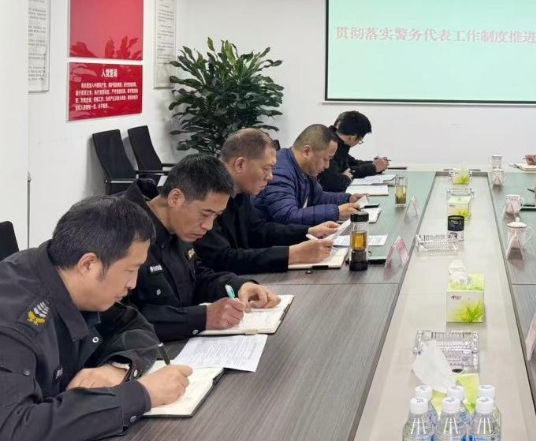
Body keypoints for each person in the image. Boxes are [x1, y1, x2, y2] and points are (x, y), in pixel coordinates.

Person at [0, 197, 193, 441]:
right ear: (88, 264)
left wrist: (117, 367)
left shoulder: (70, 280)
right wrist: (141, 395)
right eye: (131, 270)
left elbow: (136, 326)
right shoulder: (14, 320)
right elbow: (11, 434)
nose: (133, 284)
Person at [121, 154, 281, 341]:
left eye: (216, 216)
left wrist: (239, 285)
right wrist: (202, 318)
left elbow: (196, 276)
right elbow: (121, 318)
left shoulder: (177, 225)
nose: (209, 226)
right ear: (175, 198)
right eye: (205, 214)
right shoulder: (122, 231)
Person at [195, 128, 340, 274]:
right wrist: (292, 254)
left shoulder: (240, 191)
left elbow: (259, 230)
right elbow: (222, 259)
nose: (270, 176)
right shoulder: (203, 194)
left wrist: (308, 232)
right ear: (240, 165)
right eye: (266, 168)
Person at [254, 124, 365, 225]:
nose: (327, 166)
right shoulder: (280, 172)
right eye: (326, 159)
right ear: (307, 151)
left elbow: (317, 197)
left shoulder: (305, 168)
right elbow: (287, 215)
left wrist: (348, 199)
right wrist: (336, 212)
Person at [318, 111, 391, 192]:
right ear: (352, 137)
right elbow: (335, 182)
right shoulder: (329, 145)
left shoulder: (339, 143)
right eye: (360, 140)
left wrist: (374, 164)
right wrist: (373, 168)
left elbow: (352, 164)